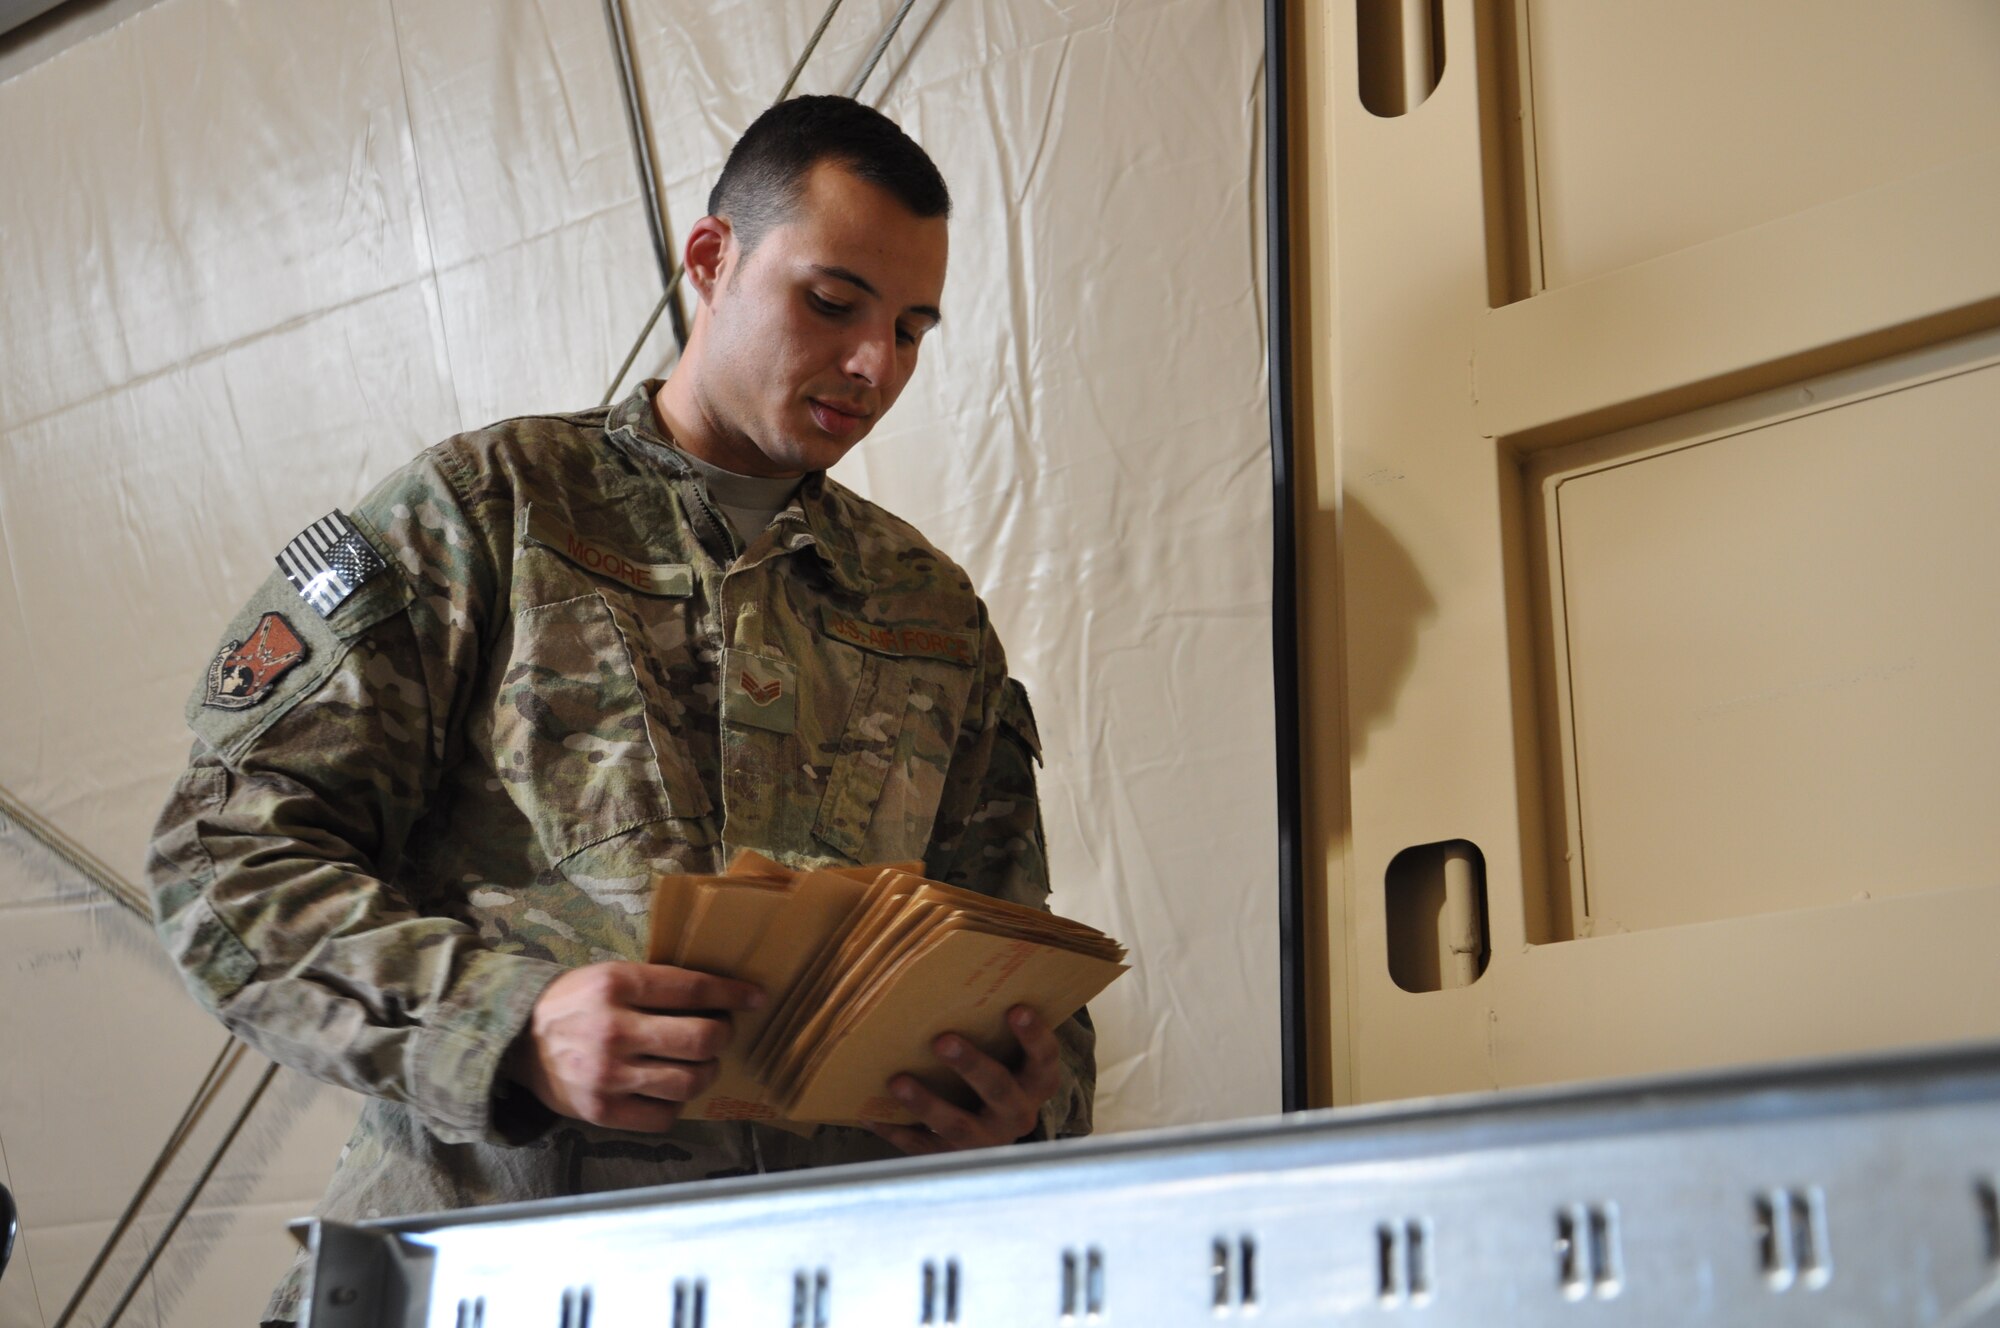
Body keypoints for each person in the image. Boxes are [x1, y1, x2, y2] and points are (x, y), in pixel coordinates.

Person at [145, 95, 1095, 1325]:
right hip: (493, 1275)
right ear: (711, 260)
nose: (876, 364)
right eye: (833, 300)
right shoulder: (488, 514)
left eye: (912, 327)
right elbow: (224, 856)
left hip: (822, 1283)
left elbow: (1012, 947)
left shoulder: (927, 611)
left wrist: (1019, 1098)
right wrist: (511, 1026)